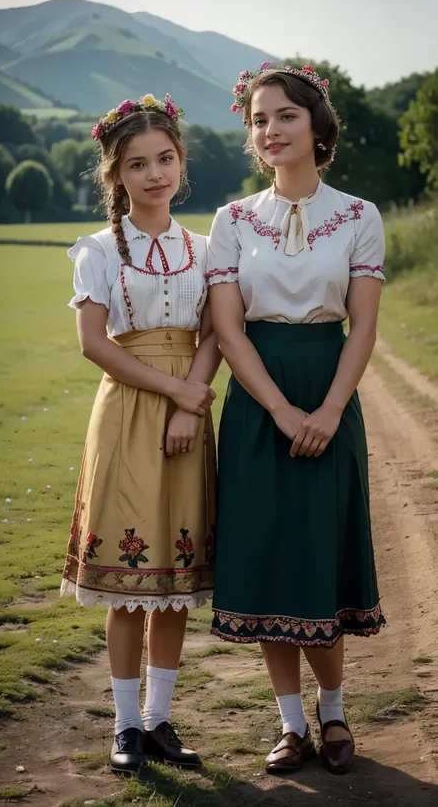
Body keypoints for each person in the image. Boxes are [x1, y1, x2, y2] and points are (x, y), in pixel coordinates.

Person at [206, 63, 386, 776]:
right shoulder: (232, 220)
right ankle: (289, 725)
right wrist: (279, 410)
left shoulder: (359, 215)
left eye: (284, 115)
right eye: (258, 119)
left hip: (328, 386)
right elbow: (227, 330)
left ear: (316, 125)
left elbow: (363, 326)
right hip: (257, 401)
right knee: (268, 561)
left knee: (319, 555)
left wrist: (331, 408)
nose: (270, 130)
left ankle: (335, 713)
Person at [60, 93, 220, 776]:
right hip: (127, 411)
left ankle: (159, 719)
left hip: (188, 415)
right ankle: (125, 726)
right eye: (137, 164)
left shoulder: (208, 248)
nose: (154, 173)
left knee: (174, 578)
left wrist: (193, 403)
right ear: (116, 174)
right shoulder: (97, 249)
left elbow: (216, 333)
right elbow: (94, 343)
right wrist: (175, 390)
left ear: (181, 162)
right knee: (129, 581)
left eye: (164, 159)